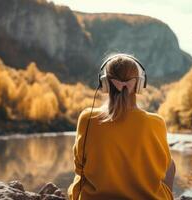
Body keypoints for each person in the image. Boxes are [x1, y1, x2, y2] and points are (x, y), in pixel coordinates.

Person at [67, 53, 176, 200]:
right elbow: (165, 169)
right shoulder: (157, 123)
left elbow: (80, 167)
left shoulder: (87, 118)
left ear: (105, 84)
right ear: (139, 85)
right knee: (170, 164)